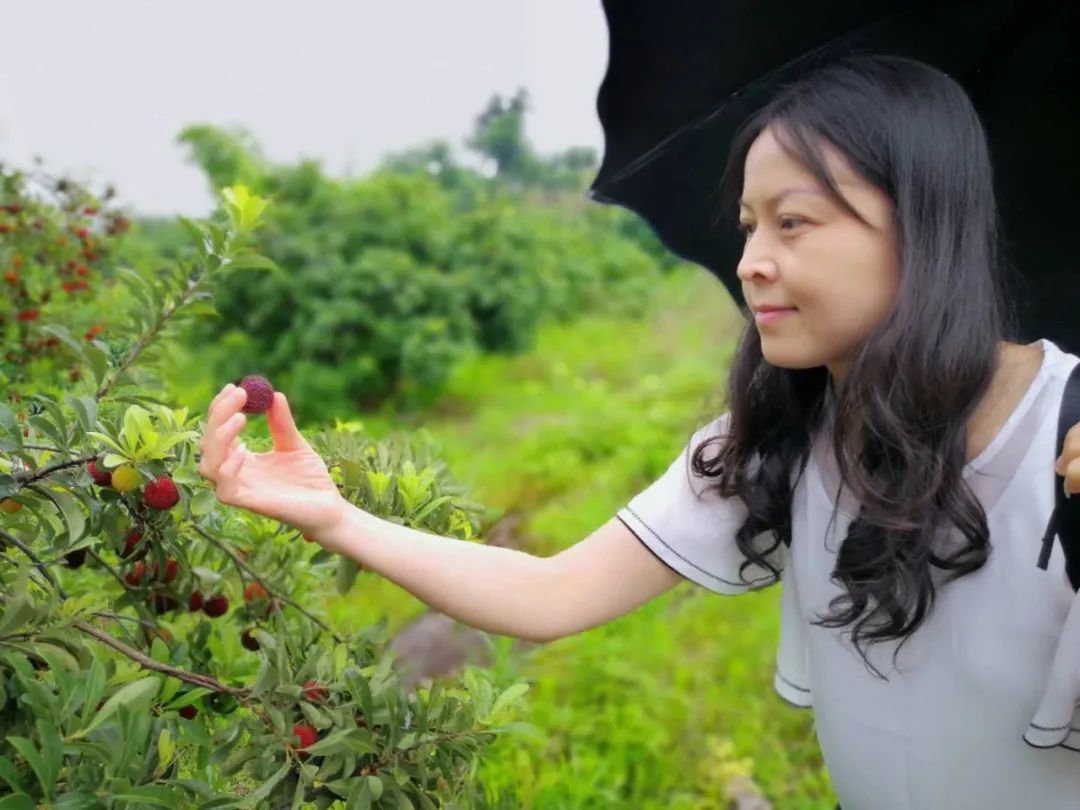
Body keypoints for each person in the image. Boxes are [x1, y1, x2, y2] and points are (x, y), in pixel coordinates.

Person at [197, 54, 1080, 809]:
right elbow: (552, 593)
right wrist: (335, 516)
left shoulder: (1063, 431)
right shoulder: (776, 435)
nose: (750, 262)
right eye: (747, 225)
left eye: (794, 222)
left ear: (923, 226)